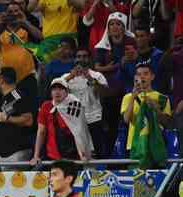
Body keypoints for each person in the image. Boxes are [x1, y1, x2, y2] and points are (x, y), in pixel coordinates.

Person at [0, 2, 42, 112]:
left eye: (16, 11)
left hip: (26, 78)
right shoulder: (0, 31)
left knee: (29, 110)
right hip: (7, 80)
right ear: (5, 14)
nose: (14, 14)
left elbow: (40, 38)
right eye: (10, 12)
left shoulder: (27, 29)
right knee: (8, 111)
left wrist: (25, 22)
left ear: (22, 13)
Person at [94, 12, 133, 155]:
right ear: (108, 28)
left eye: (118, 24)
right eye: (111, 24)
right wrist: (112, 67)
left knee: (129, 126)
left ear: (124, 27)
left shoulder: (131, 43)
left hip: (128, 92)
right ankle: (110, 162)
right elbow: (97, 67)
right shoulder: (101, 47)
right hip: (110, 94)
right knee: (110, 130)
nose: (115, 27)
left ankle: (130, 158)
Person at [31, 78, 93, 163]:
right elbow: (41, 132)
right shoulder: (46, 106)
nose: (57, 92)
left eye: (60, 89)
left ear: (67, 92)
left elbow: (79, 133)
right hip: (52, 157)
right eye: (54, 89)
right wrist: (36, 156)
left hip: (72, 157)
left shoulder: (74, 106)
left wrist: (82, 155)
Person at [62, 47, 109, 157]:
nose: (81, 59)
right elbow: (56, 92)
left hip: (94, 118)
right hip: (74, 120)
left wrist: (90, 78)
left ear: (90, 59)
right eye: (79, 56)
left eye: (84, 56)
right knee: (76, 154)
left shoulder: (97, 75)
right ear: (75, 59)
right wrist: (70, 76)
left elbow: (104, 94)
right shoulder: (66, 77)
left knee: (97, 153)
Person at [121, 63, 172, 160]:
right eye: (139, 74)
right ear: (135, 77)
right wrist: (133, 97)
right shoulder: (127, 97)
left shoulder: (162, 98)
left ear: (152, 77)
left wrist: (156, 109)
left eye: (145, 73)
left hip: (155, 146)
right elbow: (126, 120)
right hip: (135, 145)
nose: (142, 76)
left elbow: (166, 123)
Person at [0, 67, 34, 167]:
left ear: (1, 79)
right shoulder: (5, 98)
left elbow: (29, 120)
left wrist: (8, 119)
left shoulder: (18, 96)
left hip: (16, 153)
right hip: (5, 153)